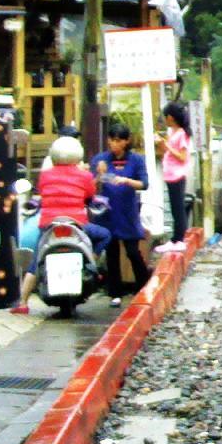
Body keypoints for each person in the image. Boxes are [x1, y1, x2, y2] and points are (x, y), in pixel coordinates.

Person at [12, 137, 102, 314]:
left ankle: (22, 302)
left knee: (36, 259)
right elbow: (91, 195)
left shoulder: (45, 175)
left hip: (49, 224)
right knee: (105, 234)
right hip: (77, 223)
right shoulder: (85, 175)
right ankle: (92, 262)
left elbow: (42, 193)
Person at [90, 121, 151, 307]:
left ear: (126, 141)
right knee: (112, 252)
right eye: (111, 140)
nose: (114, 144)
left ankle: (143, 285)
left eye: (118, 140)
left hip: (127, 210)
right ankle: (115, 292)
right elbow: (91, 187)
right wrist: (98, 175)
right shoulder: (101, 160)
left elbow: (144, 184)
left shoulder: (136, 160)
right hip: (107, 212)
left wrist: (126, 180)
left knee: (133, 251)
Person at [159, 99, 193, 250]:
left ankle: (179, 239)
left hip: (177, 174)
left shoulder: (181, 134)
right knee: (174, 207)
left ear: (170, 117)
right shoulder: (173, 133)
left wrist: (166, 146)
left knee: (178, 208)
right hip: (170, 174)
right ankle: (175, 238)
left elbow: (182, 156)